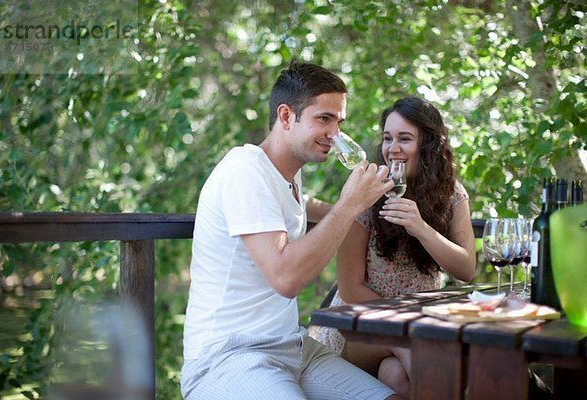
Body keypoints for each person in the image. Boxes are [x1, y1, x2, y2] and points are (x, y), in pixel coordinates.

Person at [180, 62, 404, 400]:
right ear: (286, 117)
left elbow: (296, 204)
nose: (336, 134)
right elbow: (286, 279)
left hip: (292, 347)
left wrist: (342, 210)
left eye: (339, 122)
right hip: (228, 356)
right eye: (324, 119)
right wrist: (347, 207)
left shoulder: (284, 175)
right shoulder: (244, 171)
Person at [311, 96, 476, 398]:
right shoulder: (367, 192)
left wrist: (421, 229)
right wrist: (406, 320)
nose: (392, 148)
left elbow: (465, 268)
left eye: (404, 138)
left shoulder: (451, 193)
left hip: (417, 328)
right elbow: (350, 288)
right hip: (359, 328)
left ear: (427, 145)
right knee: (414, 347)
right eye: (388, 138)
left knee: (396, 377)